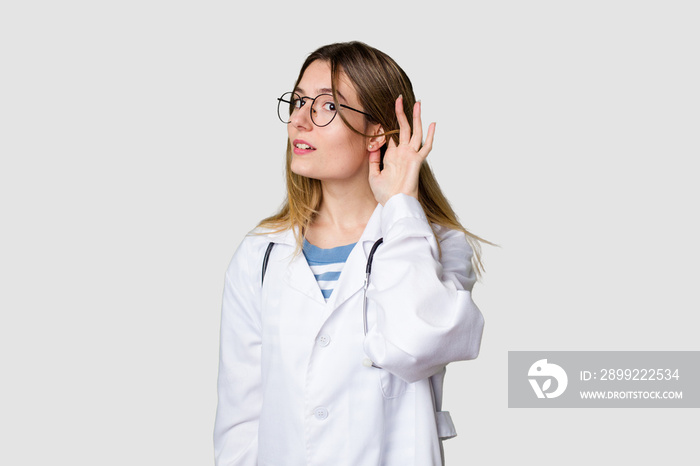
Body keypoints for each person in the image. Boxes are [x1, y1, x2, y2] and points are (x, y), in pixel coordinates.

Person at [214, 41, 485, 466]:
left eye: (326, 107)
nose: (300, 120)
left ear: (378, 131)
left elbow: (414, 344)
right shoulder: (260, 255)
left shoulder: (436, 244)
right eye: (298, 101)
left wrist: (400, 208)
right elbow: (240, 421)